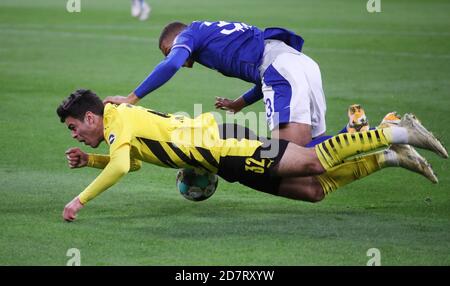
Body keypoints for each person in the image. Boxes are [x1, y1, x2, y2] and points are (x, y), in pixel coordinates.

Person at [59, 89, 447, 222]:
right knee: (312, 190)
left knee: (312, 162)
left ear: (90, 117)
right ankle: (394, 156)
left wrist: (80, 200)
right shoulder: (116, 124)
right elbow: (135, 159)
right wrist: (91, 161)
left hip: (225, 146)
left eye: (75, 127)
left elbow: (125, 165)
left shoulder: (117, 118)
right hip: (222, 161)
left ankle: (396, 130)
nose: (76, 134)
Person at [103, 20, 325, 147]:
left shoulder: (189, 33)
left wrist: (131, 99)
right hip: (302, 64)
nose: (176, 60)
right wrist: (239, 103)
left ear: (176, 39)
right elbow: (263, 78)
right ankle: (353, 133)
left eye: (168, 51)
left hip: (279, 66)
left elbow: (170, 66)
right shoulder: (212, 35)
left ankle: (358, 134)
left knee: (284, 153)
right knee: (312, 147)